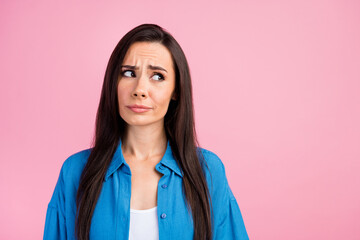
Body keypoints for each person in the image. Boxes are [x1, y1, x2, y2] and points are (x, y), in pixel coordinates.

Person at [43, 23, 249, 240]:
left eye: (157, 76)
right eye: (129, 73)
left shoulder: (208, 171)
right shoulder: (75, 171)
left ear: (176, 90)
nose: (140, 90)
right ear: (113, 83)